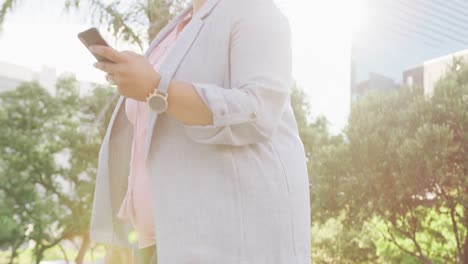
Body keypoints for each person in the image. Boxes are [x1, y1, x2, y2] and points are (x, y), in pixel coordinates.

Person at [88, 0, 311, 263]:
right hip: (154, 246)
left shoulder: (254, 10)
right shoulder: (174, 32)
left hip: (228, 244)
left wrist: (156, 89)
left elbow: (258, 112)